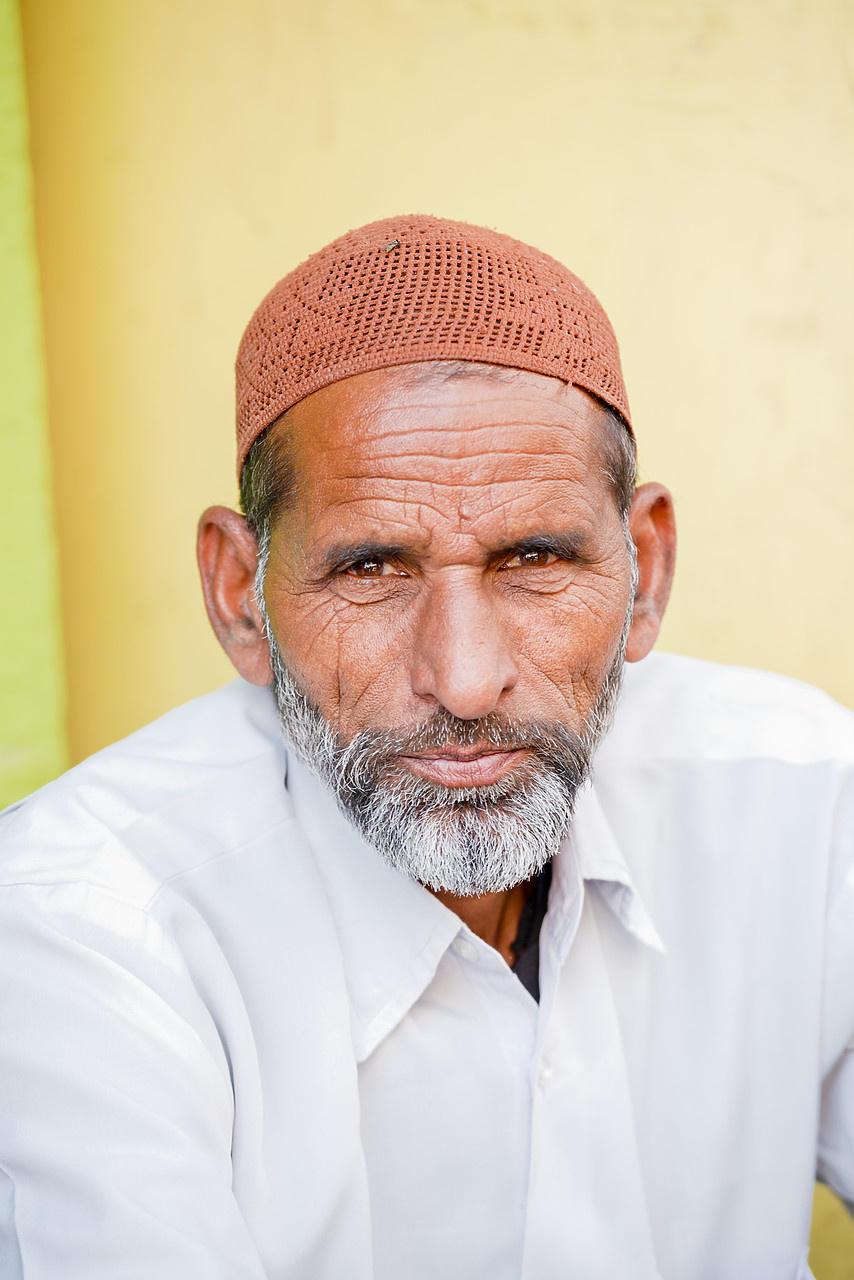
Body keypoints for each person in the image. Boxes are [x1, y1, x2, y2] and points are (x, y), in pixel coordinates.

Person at [0, 215, 851, 1280]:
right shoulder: (84, 926)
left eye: (533, 557)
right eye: (370, 569)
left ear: (643, 566)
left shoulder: (799, 797)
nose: (461, 678)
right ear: (239, 594)